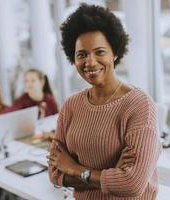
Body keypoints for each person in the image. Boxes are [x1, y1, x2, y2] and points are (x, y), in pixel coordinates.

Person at [47, 4, 161, 199]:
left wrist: (74, 168)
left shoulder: (139, 105)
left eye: (99, 52)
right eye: (81, 54)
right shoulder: (71, 106)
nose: (90, 62)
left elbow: (131, 184)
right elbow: (55, 172)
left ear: (114, 52)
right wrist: (111, 174)